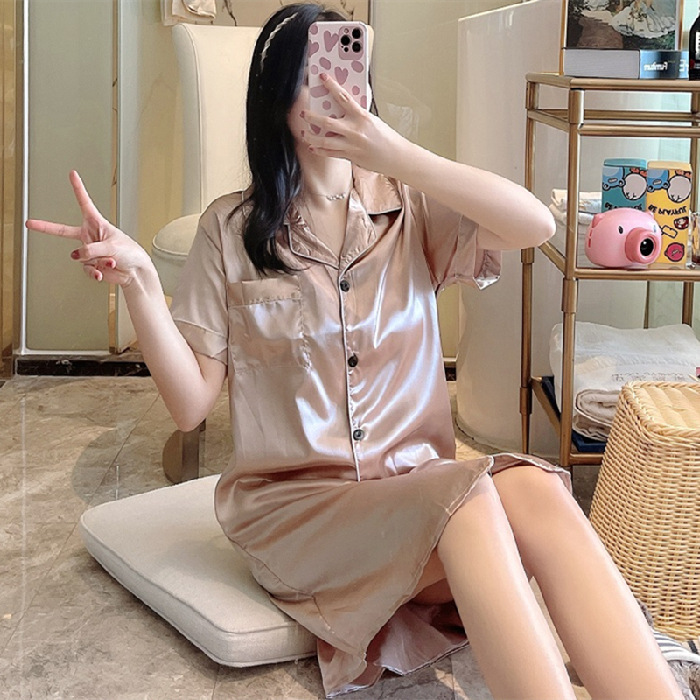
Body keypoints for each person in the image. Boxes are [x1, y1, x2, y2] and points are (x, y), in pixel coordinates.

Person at [26, 4, 684, 699]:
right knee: (468, 499)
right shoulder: (230, 231)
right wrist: (139, 283)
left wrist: (395, 154)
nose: (338, 89)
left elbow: (533, 224)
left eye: (352, 70)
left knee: (537, 490)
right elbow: (190, 406)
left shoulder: (411, 206)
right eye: (314, 75)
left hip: (418, 491)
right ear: (277, 99)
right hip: (299, 514)